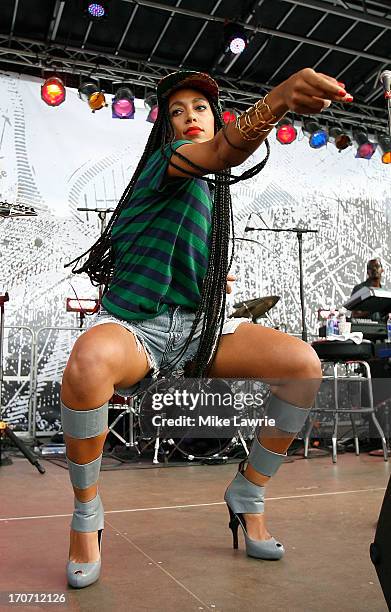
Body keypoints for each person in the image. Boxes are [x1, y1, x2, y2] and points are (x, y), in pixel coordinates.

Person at [61, 68, 353, 587]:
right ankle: (87, 515)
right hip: (138, 327)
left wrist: (210, 280)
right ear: (166, 128)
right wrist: (281, 97)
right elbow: (225, 153)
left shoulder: (213, 197)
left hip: (201, 328)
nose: (190, 116)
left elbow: (215, 183)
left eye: (200, 107)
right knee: (88, 362)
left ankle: (249, 492)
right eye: (177, 111)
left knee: (303, 366)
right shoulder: (167, 163)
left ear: (213, 115)